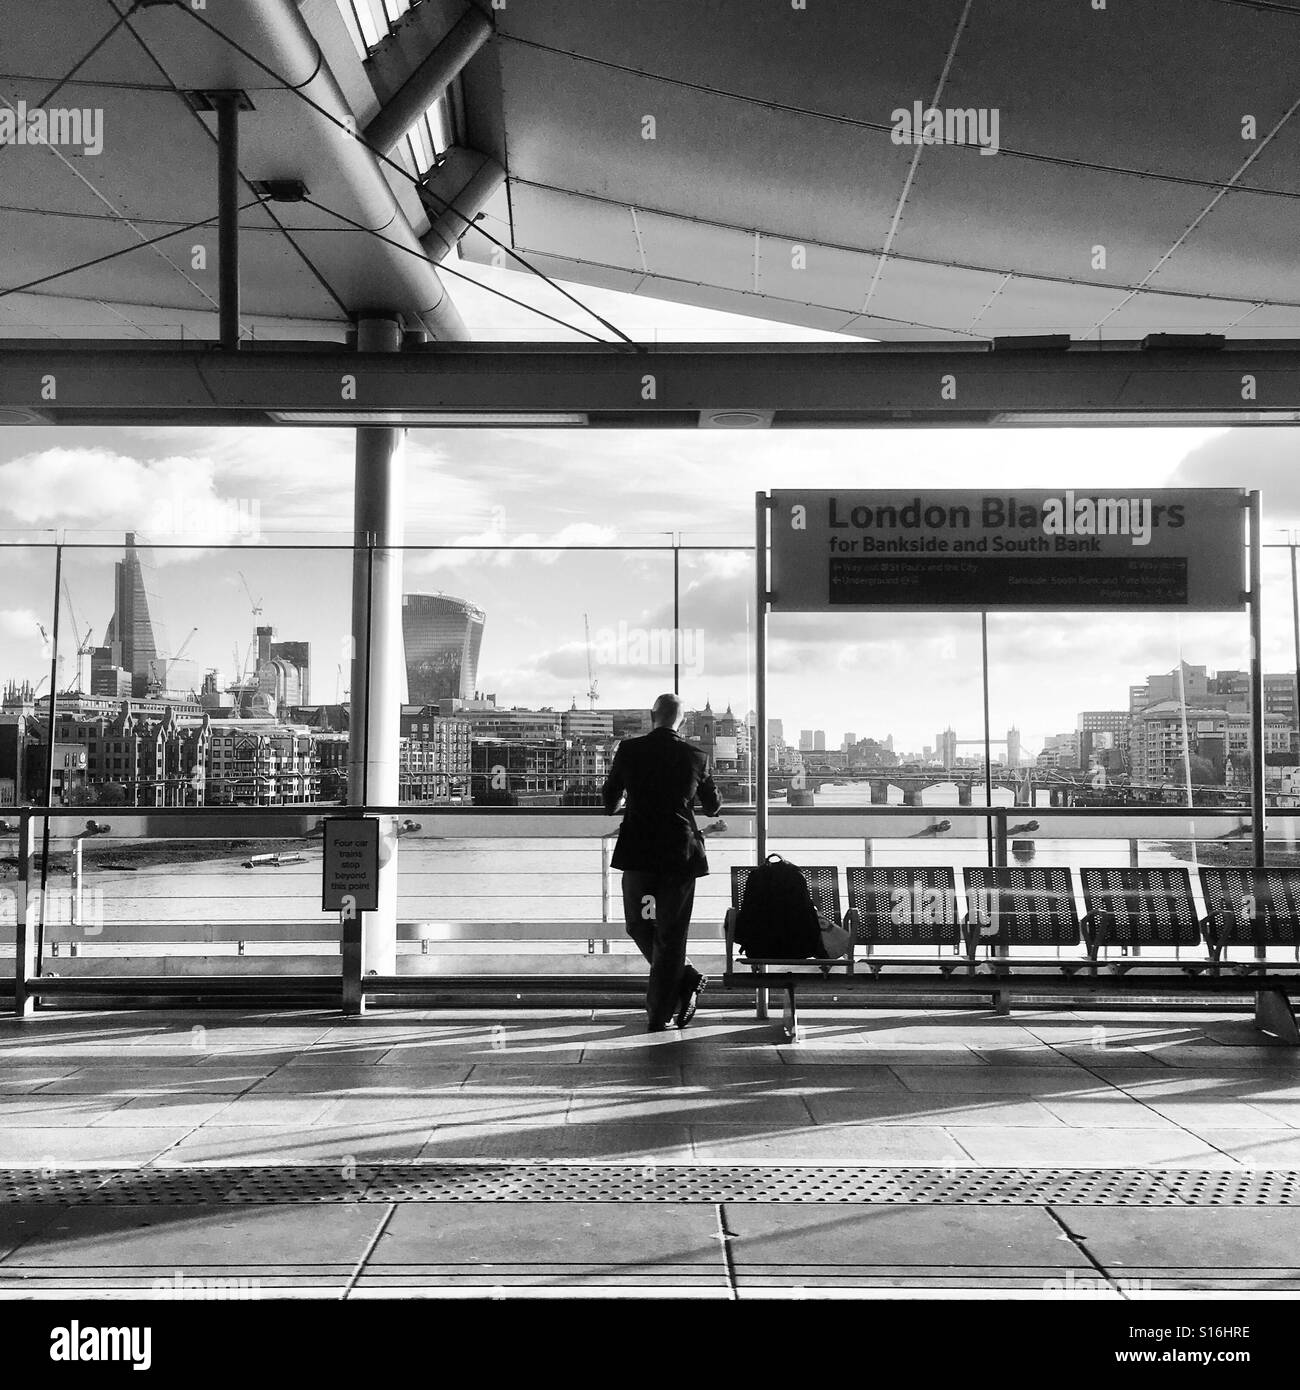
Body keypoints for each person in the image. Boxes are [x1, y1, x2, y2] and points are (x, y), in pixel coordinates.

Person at [602, 693, 722, 1032]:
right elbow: (712, 807)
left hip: (638, 851)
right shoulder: (697, 755)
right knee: (671, 933)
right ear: (681, 721)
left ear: (651, 716)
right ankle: (685, 981)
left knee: (637, 925)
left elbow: (609, 803)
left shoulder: (629, 750)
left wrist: (628, 791)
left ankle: (660, 1011)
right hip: (679, 854)